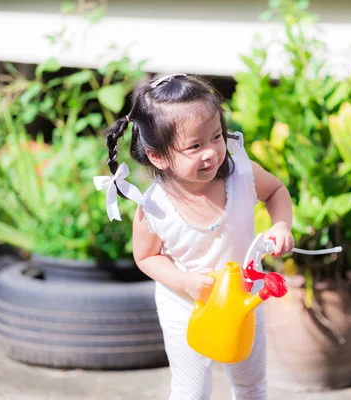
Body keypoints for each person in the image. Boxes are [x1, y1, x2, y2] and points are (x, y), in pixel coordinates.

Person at [98, 73, 294, 400]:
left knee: (250, 383)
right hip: (185, 306)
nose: (211, 152)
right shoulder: (155, 207)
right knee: (190, 391)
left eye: (216, 136)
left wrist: (281, 226)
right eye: (195, 146)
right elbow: (146, 257)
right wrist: (183, 281)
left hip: (245, 300)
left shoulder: (242, 175)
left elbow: (276, 192)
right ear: (158, 155)